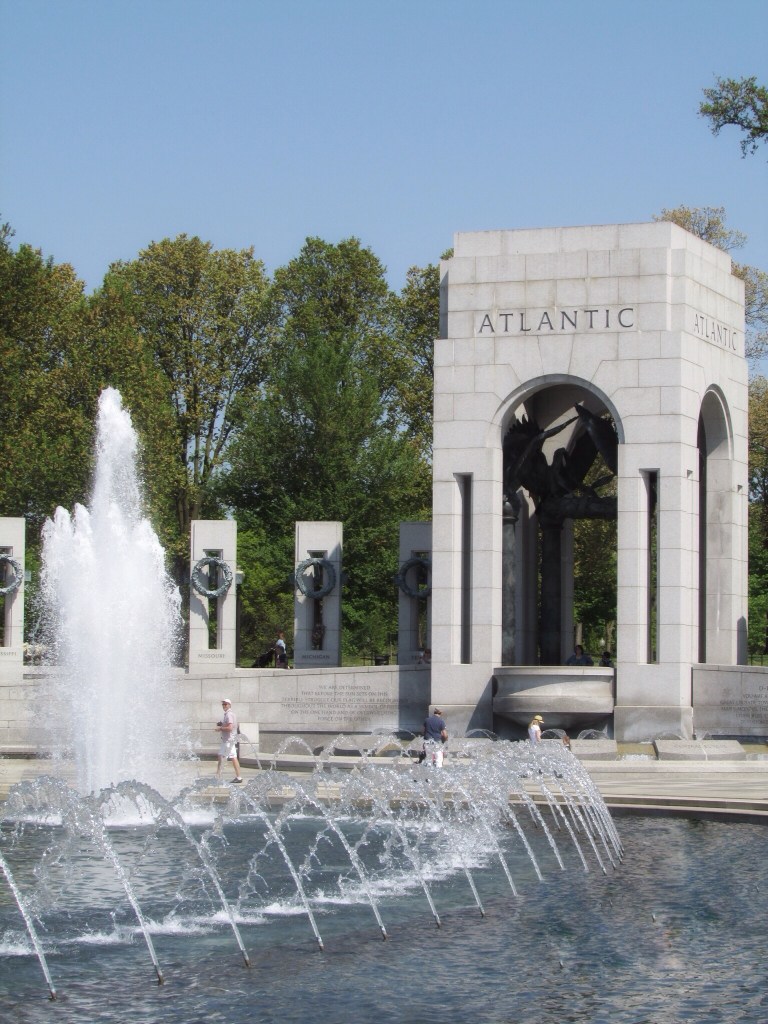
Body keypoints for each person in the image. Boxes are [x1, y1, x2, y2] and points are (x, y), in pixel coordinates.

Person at [216, 698, 243, 783]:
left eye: (226, 704)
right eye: (223, 704)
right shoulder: (229, 714)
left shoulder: (229, 715)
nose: (224, 706)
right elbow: (233, 725)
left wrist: (220, 728)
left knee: (222, 757)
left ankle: (218, 777)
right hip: (229, 740)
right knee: (231, 757)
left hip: (228, 740)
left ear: (230, 705)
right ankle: (238, 777)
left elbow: (230, 728)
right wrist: (222, 724)